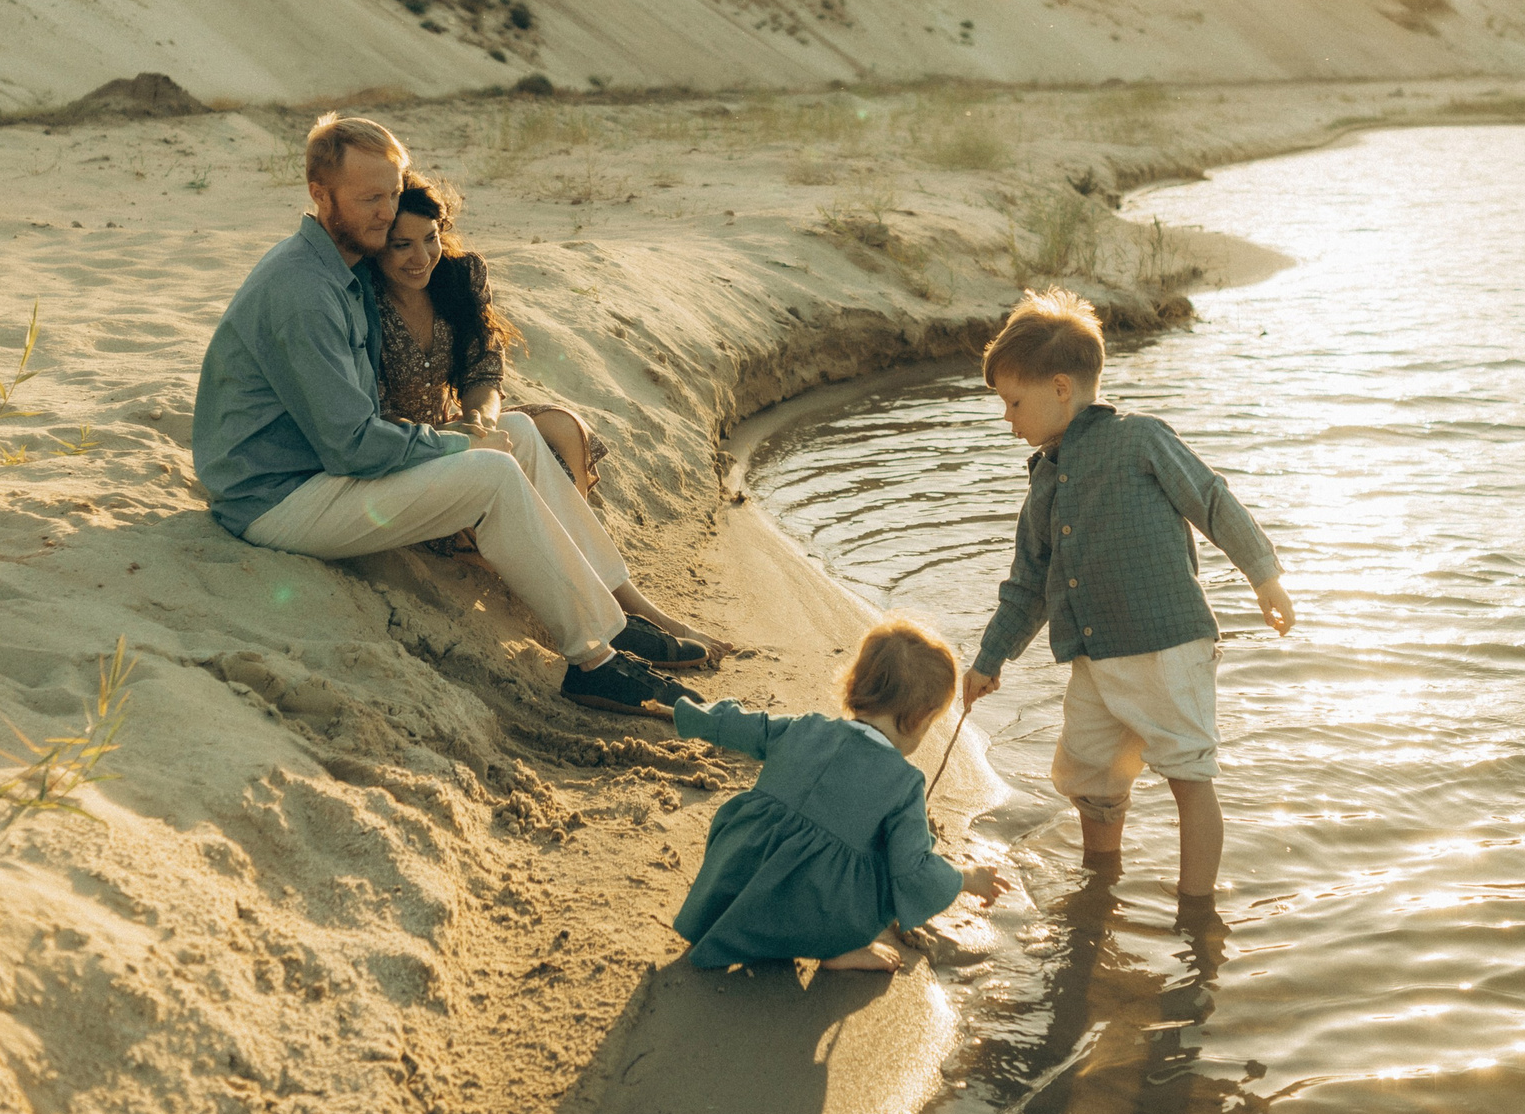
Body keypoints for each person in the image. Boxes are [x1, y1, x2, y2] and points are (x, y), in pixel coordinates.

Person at [191, 112, 702, 716]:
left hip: (321, 473)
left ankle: (607, 612)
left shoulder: (343, 271)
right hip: (276, 498)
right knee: (490, 472)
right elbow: (351, 446)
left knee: (514, 431)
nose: (386, 211)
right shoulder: (302, 289)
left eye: (392, 192)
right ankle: (595, 661)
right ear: (319, 195)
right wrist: (459, 447)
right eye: (369, 198)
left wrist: (472, 432)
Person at [960, 289, 1296, 934]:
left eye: (1012, 402)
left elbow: (1213, 500)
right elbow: (1027, 583)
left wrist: (1265, 577)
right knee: (1089, 775)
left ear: (1060, 388)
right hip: (1094, 657)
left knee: (1187, 773)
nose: (1007, 418)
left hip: (1168, 647)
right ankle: (1100, 879)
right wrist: (989, 658)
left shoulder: (1140, 438)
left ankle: (1197, 912)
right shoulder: (1042, 479)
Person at [373, 173, 730, 659]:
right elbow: (367, 420)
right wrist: (455, 438)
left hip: (458, 431)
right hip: (404, 453)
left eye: (430, 238)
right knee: (513, 445)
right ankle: (605, 620)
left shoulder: (457, 277)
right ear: (376, 244)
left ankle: (625, 605)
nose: (421, 258)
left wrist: (478, 420)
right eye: (401, 245)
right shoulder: (361, 303)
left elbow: (484, 370)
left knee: (529, 426)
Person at [668, 619, 1008, 972]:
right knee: (891, 854)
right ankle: (838, 947)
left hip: (737, 879)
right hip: (810, 911)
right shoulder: (904, 783)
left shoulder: (803, 726)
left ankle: (733, 919)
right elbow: (913, 872)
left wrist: (688, 713)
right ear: (921, 718)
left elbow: (742, 725)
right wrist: (968, 878)